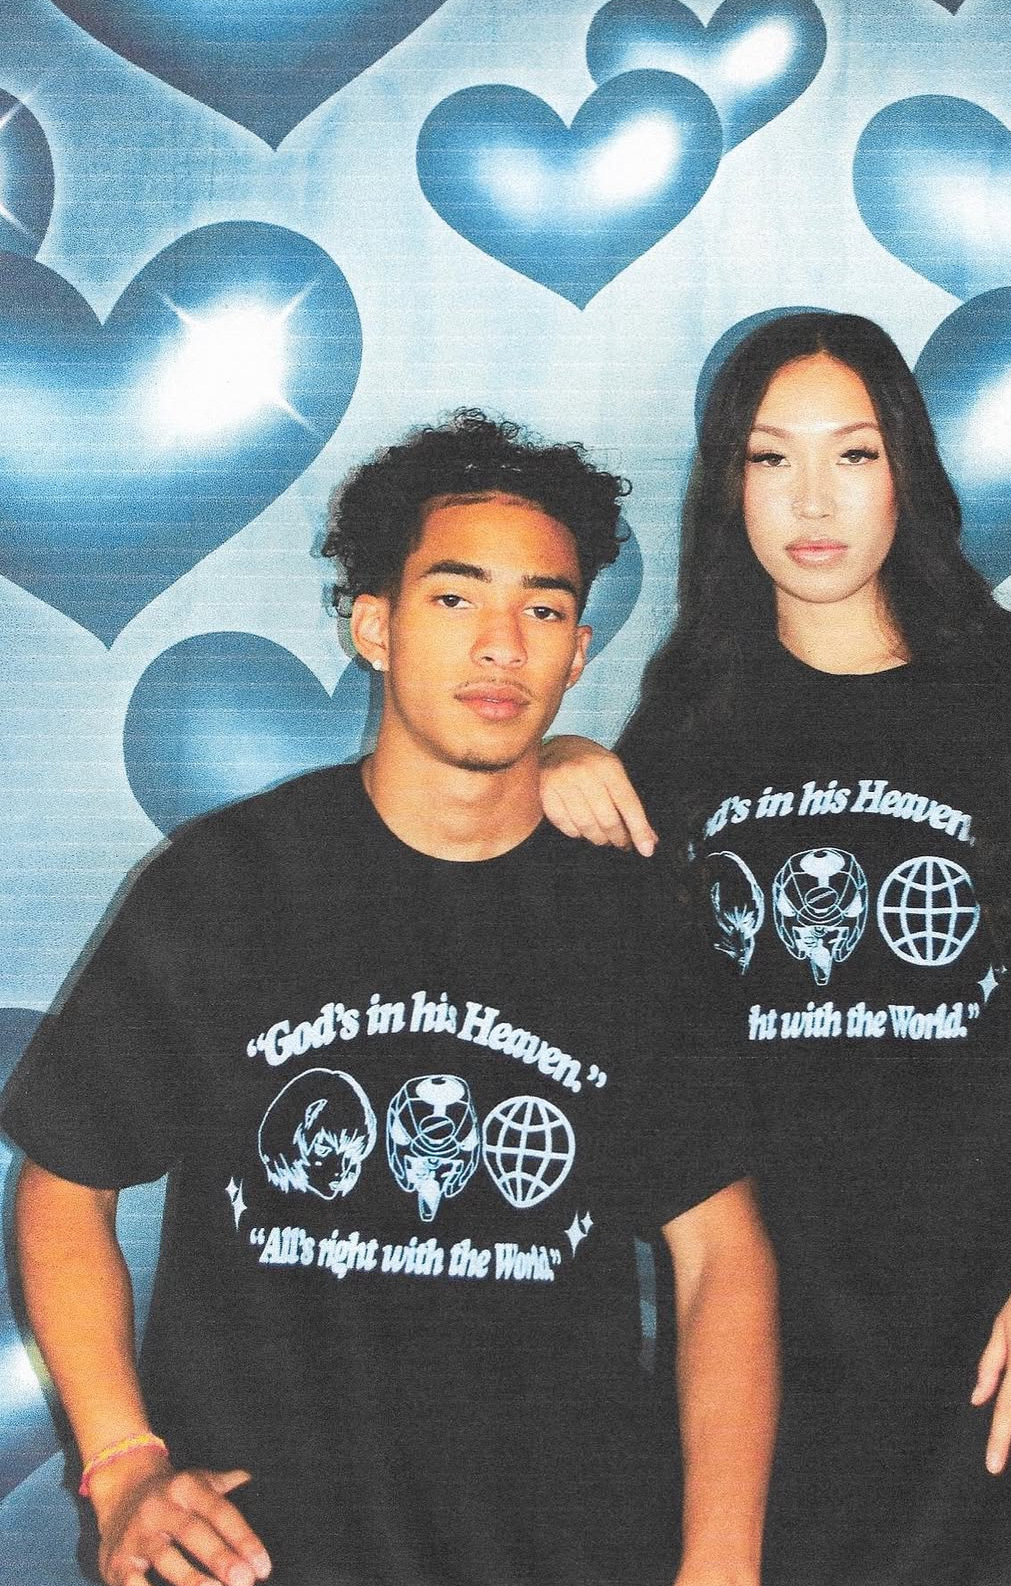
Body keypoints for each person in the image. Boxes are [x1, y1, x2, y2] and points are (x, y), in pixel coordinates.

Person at [2, 411, 778, 1586]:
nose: (501, 645)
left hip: (561, 1551)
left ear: (578, 653)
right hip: (256, 1553)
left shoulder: (636, 923)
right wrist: (120, 1465)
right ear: (374, 625)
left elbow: (721, 1252)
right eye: (455, 598)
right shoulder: (229, 885)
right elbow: (67, 1181)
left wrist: (721, 1559)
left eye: (544, 610)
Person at [538, 313, 1011, 1585]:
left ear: (905, 469)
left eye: (852, 454)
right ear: (728, 483)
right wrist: (560, 757)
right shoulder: (692, 713)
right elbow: (609, 972)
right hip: (778, 1336)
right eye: (771, 457)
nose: (813, 499)